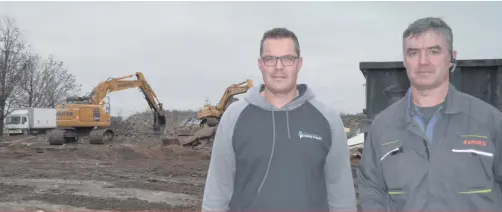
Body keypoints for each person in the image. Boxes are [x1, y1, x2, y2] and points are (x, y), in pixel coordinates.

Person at [201, 27, 357, 212]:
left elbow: (341, 197)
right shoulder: (234, 117)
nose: (279, 67)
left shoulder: (327, 120)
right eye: (270, 59)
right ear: (260, 64)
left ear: (299, 63)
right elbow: (217, 193)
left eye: (288, 58)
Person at [358, 17, 502, 211]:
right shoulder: (383, 127)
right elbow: (372, 191)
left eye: (434, 51)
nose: (423, 61)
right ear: (404, 60)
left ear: (451, 58)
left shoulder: (490, 122)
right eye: (413, 52)